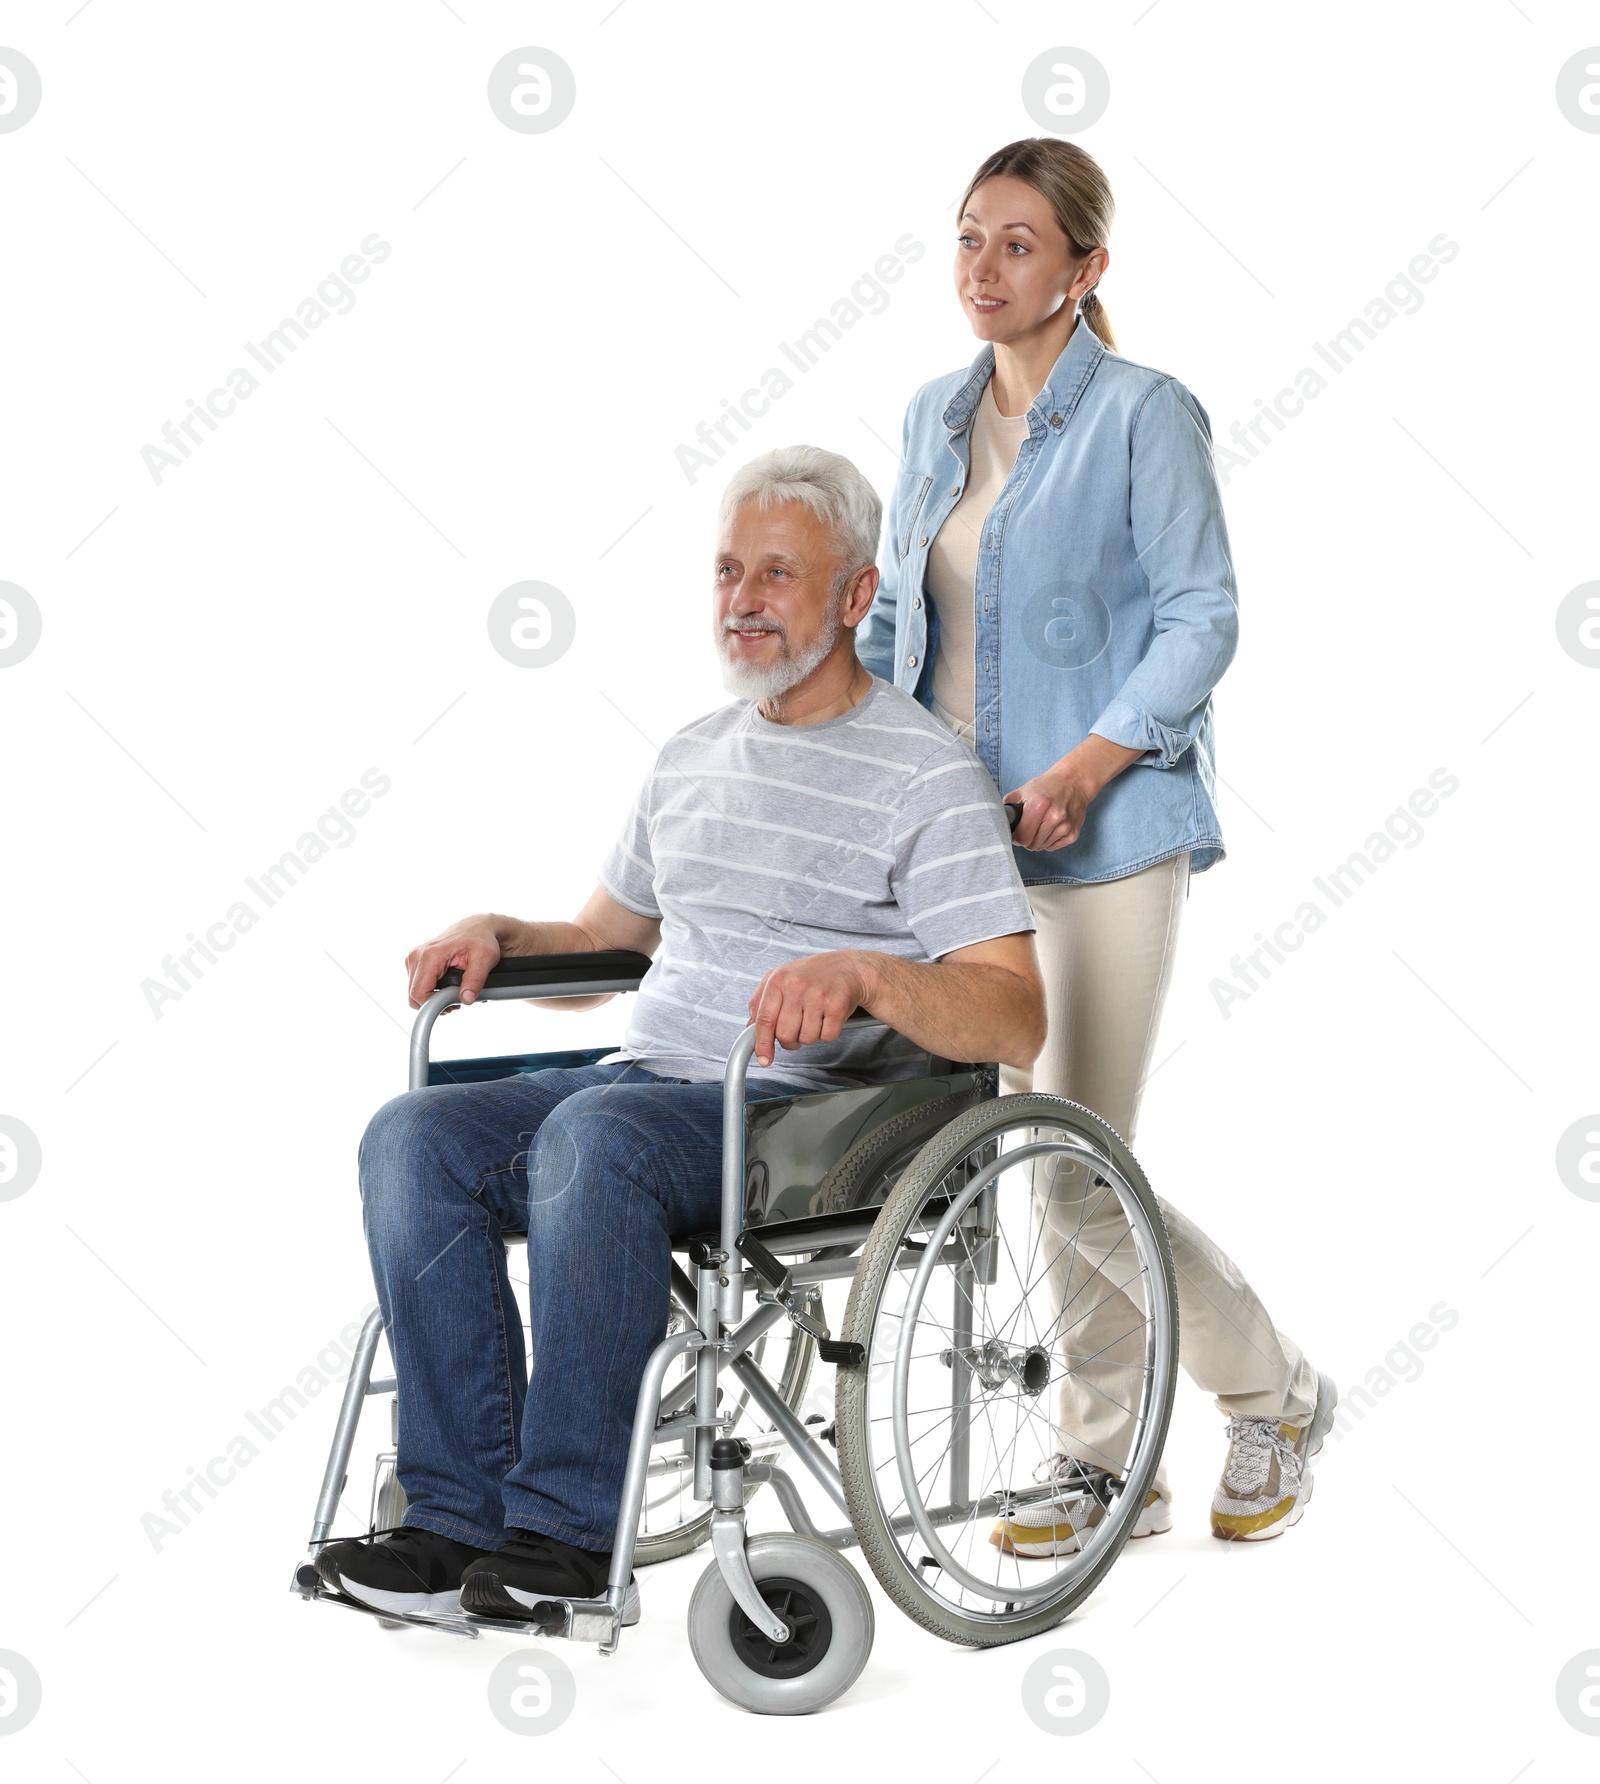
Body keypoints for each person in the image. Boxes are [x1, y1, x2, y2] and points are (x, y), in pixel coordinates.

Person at [314, 445, 1045, 1621]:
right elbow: (609, 941)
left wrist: (869, 973)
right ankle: (451, 1516)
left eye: (775, 574)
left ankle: (560, 1536)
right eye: (725, 572)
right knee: (412, 1135)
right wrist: (505, 932)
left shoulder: (926, 776)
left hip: (803, 1114)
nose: (742, 600)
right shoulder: (691, 755)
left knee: (593, 1137)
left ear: (856, 596)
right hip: (646, 1080)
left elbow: (1014, 1007)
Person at [858, 137, 1335, 1548]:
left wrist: (1084, 763)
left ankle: (1257, 1399)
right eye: (966, 239)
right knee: (1025, 1162)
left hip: (1108, 832)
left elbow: (1204, 616)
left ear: (1087, 269)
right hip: (960, 849)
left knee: (1067, 1160)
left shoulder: (1143, 415)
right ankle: (1123, 1464)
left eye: (1017, 244)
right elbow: (897, 626)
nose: (983, 269)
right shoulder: (929, 420)